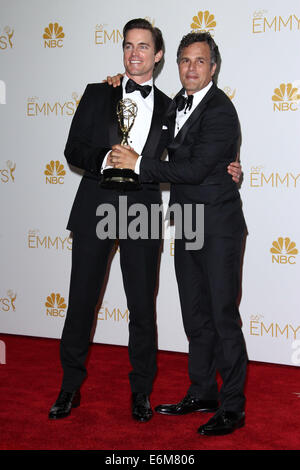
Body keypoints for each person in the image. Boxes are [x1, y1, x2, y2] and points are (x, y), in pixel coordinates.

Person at [49, 19, 241, 423]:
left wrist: (231, 166)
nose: (134, 54)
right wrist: (107, 161)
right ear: (123, 52)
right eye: (128, 46)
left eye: (143, 47)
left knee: (141, 307)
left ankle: (141, 392)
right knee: (82, 302)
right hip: (97, 205)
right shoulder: (99, 93)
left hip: (142, 209)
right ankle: (69, 388)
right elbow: (73, 148)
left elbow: (193, 155)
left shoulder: (173, 105)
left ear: (156, 56)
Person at [109, 32, 248, 435]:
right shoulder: (175, 105)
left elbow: (191, 170)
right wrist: (114, 88)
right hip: (187, 222)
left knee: (223, 316)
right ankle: (203, 391)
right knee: (195, 316)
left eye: (199, 61)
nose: (190, 68)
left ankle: (233, 407)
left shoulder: (221, 111)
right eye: (185, 60)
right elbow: (148, 130)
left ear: (214, 67)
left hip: (218, 226)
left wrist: (137, 165)